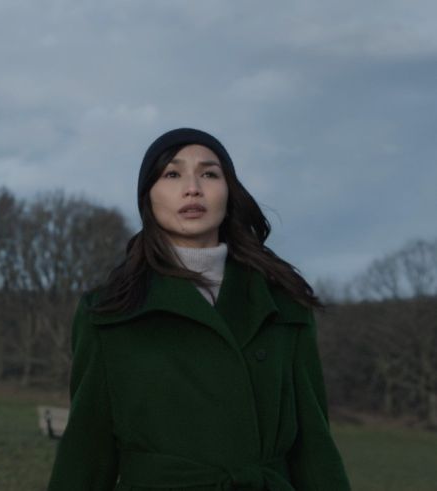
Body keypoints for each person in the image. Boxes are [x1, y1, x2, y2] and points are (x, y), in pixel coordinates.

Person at [47, 128, 350, 490]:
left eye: (209, 173)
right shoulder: (109, 312)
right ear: (148, 197)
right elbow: (85, 450)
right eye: (172, 174)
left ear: (228, 192)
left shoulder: (284, 304)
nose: (193, 188)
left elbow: (314, 447)